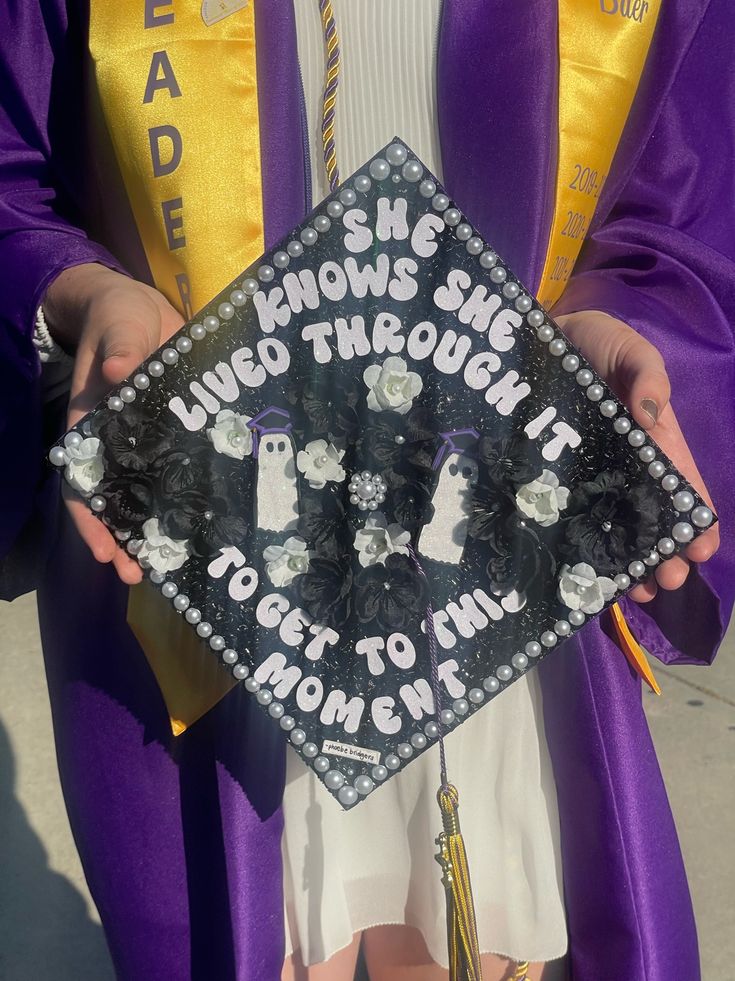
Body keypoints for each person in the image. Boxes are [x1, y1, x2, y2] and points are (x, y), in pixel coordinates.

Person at [0, 1, 732, 980]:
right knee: (256, 929)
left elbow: (679, 200)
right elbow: (13, 174)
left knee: (482, 933)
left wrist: (618, 323)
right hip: (206, 545)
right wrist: (85, 294)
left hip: (503, 528)